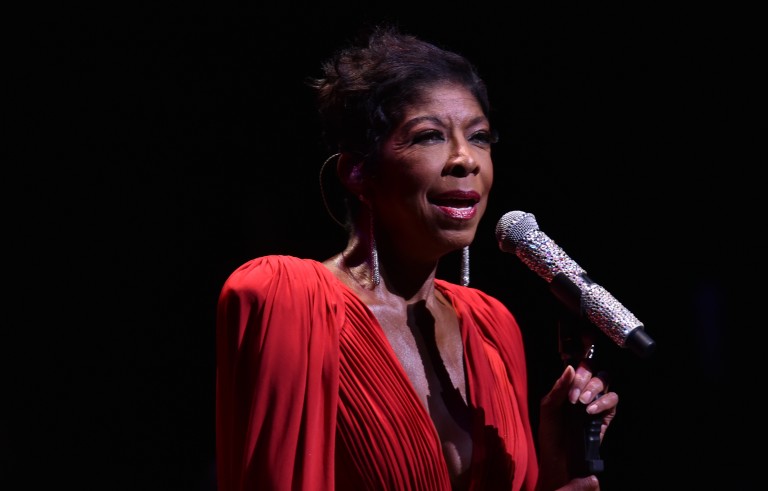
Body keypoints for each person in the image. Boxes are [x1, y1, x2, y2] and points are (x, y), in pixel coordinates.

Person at [215, 24, 619, 491]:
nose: (465, 159)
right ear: (358, 171)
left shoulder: (492, 328)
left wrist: (555, 468)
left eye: (480, 137)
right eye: (430, 136)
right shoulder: (288, 299)